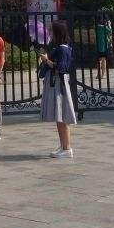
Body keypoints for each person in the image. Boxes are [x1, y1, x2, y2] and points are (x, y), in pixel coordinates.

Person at [39, 20, 77, 158]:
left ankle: (67, 147)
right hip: (56, 83)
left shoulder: (63, 48)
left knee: (62, 116)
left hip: (59, 84)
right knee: (59, 116)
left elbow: (61, 68)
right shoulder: (58, 47)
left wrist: (46, 60)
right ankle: (63, 145)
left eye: (51, 31)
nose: (49, 34)